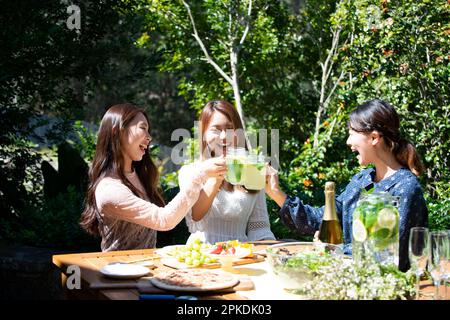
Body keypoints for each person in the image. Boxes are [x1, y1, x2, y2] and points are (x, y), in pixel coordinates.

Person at [265, 99, 428, 271]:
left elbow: (395, 254)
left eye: (352, 133)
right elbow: (318, 220)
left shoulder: (406, 188)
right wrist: (276, 193)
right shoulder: (362, 181)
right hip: (349, 282)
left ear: (374, 137)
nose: (348, 142)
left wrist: (334, 248)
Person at [80, 103, 226, 251]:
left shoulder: (137, 175)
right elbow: (164, 220)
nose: (149, 137)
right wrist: (199, 175)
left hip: (148, 267)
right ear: (118, 131)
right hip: (119, 270)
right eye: (143, 128)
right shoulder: (109, 189)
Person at [179, 100, 275, 244]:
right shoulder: (190, 172)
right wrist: (215, 178)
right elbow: (196, 217)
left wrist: (273, 253)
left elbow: (259, 228)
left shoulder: (252, 171)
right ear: (203, 134)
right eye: (216, 129)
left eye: (230, 129)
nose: (224, 137)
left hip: (240, 256)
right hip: (202, 255)